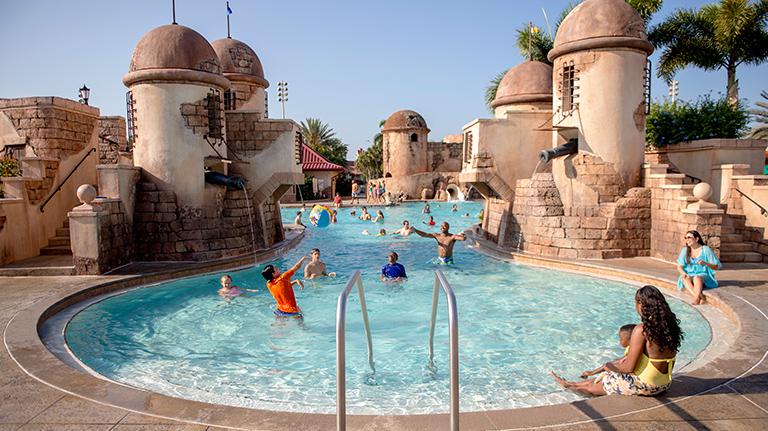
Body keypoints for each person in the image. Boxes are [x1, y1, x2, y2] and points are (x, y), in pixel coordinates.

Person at [551, 285, 682, 397]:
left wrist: (608, 366)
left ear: (642, 304)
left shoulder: (642, 330)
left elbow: (628, 367)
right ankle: (571, 383)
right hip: (664, 384)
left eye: (636, 303)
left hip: (647, 385)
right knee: (605, 377)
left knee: (592, 386)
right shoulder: (670, 327)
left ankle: (569, 386)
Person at [676, 230, 722, 305]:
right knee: (683, 277)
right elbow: (679, 267)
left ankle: (697, 298)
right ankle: (699, 297)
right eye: (686, 238)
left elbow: (716, 266)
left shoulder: (705, 249)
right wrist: (683, 273)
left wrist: (705, 263)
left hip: (703, 275)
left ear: (697, 239)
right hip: (690, 275)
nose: (687, 240)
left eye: (689, 237)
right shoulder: (685, 250)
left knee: (697, 277)